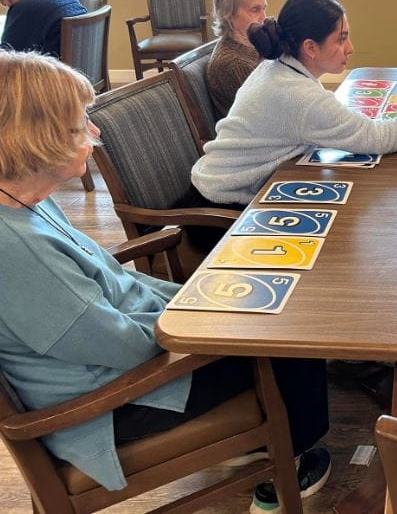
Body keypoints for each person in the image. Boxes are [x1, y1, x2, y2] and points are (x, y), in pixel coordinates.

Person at [0, 52, 331, 501]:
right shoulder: (15, 248)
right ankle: (293, 457)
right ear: (34, 138)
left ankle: (262, 436)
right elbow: (123, 347)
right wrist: (208, 322)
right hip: (111, 404)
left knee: (270, 307)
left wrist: (199, 298)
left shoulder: (24, 200)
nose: (94, 133)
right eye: (80, 125)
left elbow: (116, 282)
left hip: (126, 361)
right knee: (291, 337)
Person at [193, 0, 397, 205]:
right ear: (310, 47)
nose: (351, 48)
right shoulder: (298, 95)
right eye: (342, 38)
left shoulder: (277, 66)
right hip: (222, 207)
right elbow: (376, 138)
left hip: (218, 183)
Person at [206, 0, 268, 120]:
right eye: (255, 10)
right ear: (227, 14)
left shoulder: (251, 46)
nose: (263, 17)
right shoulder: (234, 64)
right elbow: (268, 115)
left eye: (264, 8)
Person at [0, 0, 86, 57]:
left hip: (49, 65)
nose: (5, 5)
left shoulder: (25, 7)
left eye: (3, 2)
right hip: (77, 61)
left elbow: (7, 54)